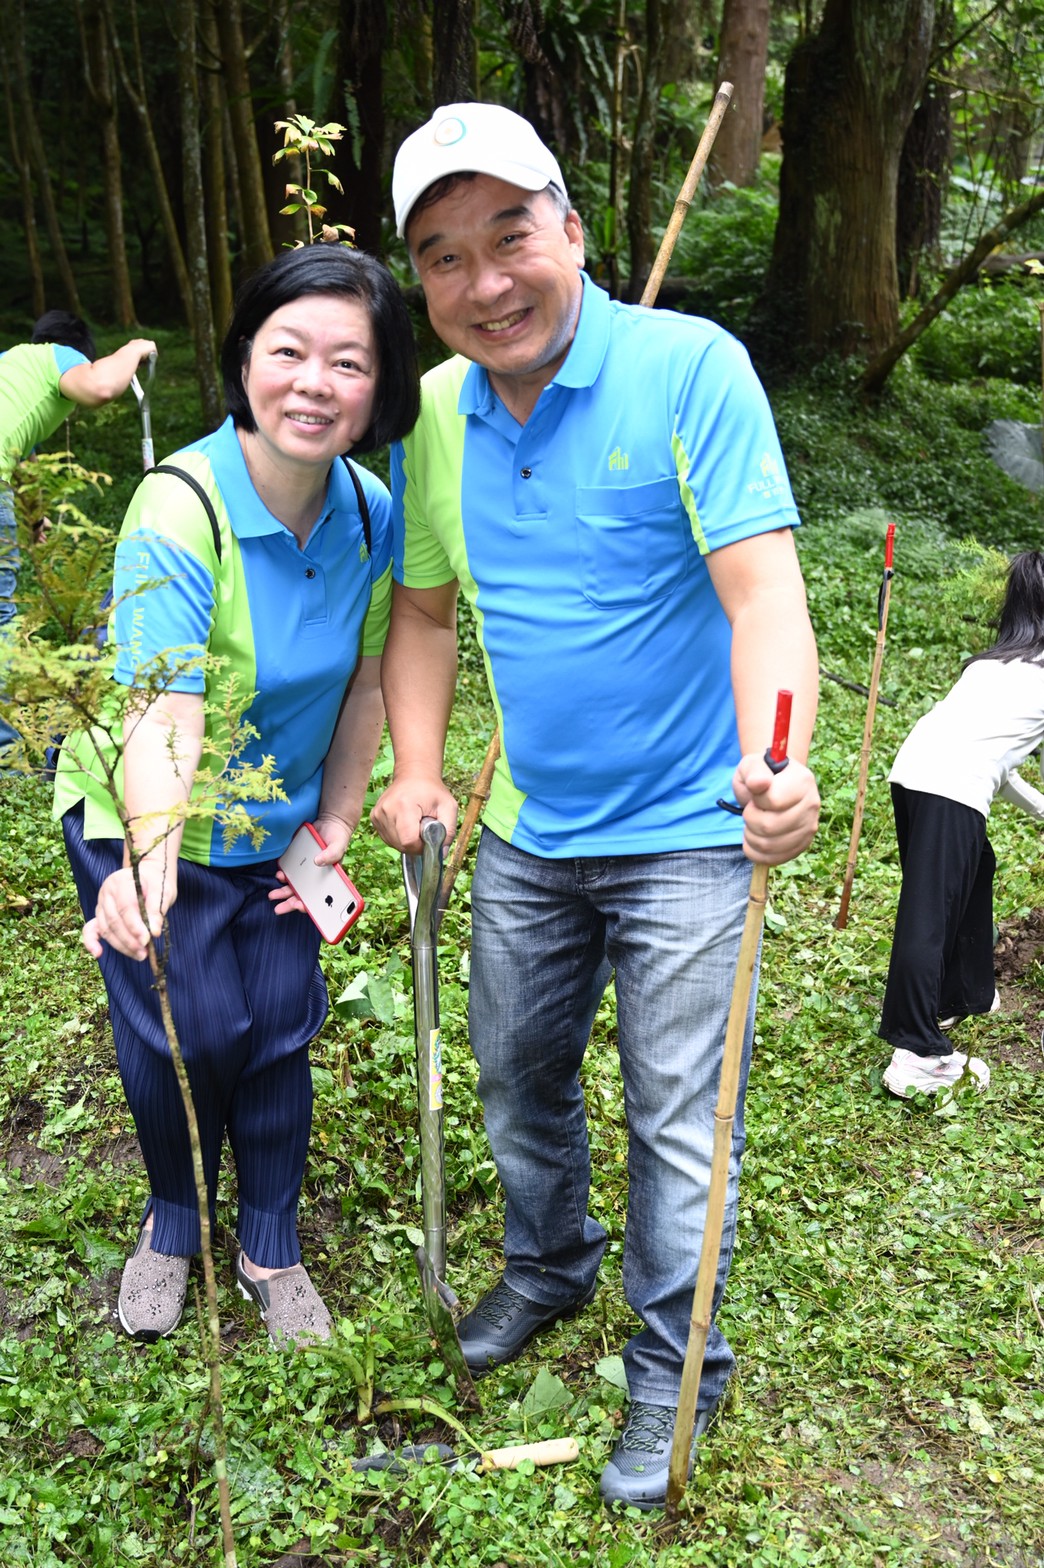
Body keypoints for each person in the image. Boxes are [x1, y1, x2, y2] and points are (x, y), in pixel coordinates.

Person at [371, 102, 820, 1509]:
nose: (487, 280)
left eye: (511, 233)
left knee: (681, 1120)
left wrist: (783, 755)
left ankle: (674, 1372)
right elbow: (428, 617)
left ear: (572, 226)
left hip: (691, 831)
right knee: (516, 1079)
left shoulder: (690, 367)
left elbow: (763, 592)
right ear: (423, 287)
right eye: (445, 256)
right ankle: (549, 1266)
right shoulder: (439, 413)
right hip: (531, 834)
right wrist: (422, 766)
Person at [52, 245, 419, 1347]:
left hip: (280, 828)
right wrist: (146, 872)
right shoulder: (179, 506)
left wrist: (336, 824)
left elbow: (365, 680)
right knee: (185, 1025)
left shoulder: (367, 511)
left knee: (275, 1025)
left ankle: (269, 1239)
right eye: (289, 351)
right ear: (245, 361)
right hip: (150, 814)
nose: (314, 382)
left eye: (347, 362)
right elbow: (165, 708)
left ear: (378, 386)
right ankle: (174, 1221)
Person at [879, 550, 1044, 1098]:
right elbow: (984, 764)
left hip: (914, 777)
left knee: (974, 874)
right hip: (951, 789)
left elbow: (998, 763)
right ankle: (916, 1054)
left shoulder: (992, 664)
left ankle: (960, 995)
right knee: (928, 916)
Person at [0, 312, 157, 751]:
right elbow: (101, 387)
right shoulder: (58, 354)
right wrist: (134, 348)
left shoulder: (8, 369)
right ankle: (7, 756)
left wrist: (34, 520)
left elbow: (25, 468)